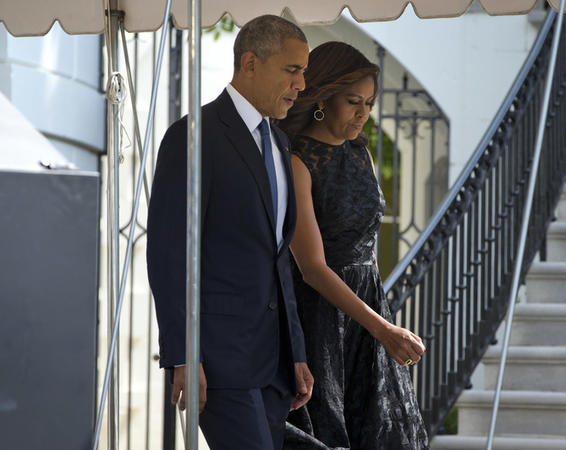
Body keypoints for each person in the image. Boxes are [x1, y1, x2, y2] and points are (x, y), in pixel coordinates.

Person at [146, 15, 314, 450]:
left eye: (304, 73)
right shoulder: (193, 136)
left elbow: (278, 259)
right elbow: (168, 253)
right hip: (218, 361)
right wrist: (183, 353)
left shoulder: (279, 143)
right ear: (250, 63)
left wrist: (295, 350)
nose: (301, 85)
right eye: (292, 70)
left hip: (274, 368)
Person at [279, 42, 430, 449]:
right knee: (330, 432)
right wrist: (384, 330)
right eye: (353, 101)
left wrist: (379, 324)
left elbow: (366, 244)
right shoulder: (296, 162)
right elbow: (311, 267)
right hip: (321, 318)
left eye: (369, 102)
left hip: (368, 309)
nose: (364, 112)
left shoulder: (361, 155)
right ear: (323, 97)